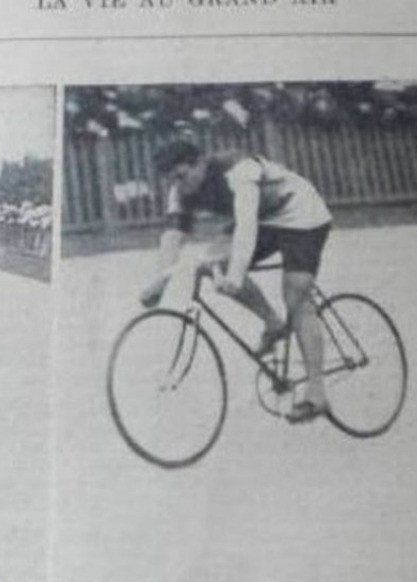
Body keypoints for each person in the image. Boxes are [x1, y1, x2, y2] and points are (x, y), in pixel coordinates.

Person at [139, 138, 334, 423]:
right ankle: (272, 323)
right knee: (210, 264)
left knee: (296, 296)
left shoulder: (239, 170)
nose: (179, 185)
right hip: (263, 220)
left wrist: (236, 275)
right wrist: (160, 280)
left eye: (182, 176)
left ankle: (317, 394)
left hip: (299, 215)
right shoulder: (179, 190)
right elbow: (172, 236)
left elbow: (246, 226)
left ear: (201, 163)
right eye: (172, 180)